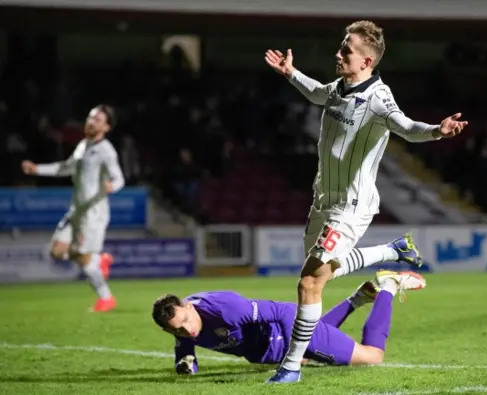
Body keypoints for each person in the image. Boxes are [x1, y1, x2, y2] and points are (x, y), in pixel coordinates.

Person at [263, 20, 468, 382]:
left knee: (310, 282)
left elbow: (405, 127)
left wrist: (437, 131)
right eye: (341, 47)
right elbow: (317, 93)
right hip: (323, 198)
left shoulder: (378, 97)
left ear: (367, 61)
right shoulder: (340, 87)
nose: (338, 54)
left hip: (351, 207)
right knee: (324, 273)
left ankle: (291, 365)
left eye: (347, 50)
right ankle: (391, 251)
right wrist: (290, 72)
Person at [151, 270, 426, 374]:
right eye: (178, 329)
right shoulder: (181, 322)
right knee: (319, 334)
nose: (189, 330)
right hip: (271, 347)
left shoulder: (228, 310)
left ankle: (388, 286)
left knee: (372, 357)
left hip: (281, 337)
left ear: (189, 306)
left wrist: (293, 358)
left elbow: (283, 312)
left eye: (187, 321)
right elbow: (185, 348)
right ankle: (357, 299)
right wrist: (186, 363)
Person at [22, 104, 124, 312]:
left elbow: (119, 178)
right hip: (76, 210)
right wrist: (37, 169)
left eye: (97, 119)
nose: (91, 121)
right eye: (90, 117)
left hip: (93, 214)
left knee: (83, 257)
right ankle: (99, 259)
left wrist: (111, 186)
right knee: (57, 252)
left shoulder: (106, 151)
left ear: (107, 127)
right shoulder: (83, 145)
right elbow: (65, 167)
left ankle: (106, 299)